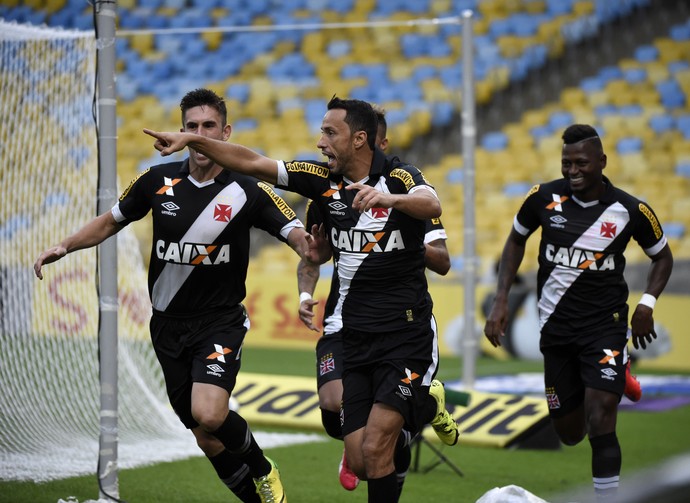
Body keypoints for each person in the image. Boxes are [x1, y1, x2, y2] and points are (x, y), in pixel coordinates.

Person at [143, 96, 460, 503]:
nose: (320, 141)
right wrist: (190, 140)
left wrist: (390, 202)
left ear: (359, 139)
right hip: (353, 332)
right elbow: (254, 165)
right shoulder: (319, 184)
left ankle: (419, 403)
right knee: (361, 456)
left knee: (378, 444)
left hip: (405, 332)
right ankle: (420, 409)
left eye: (329, 132)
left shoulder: (401, 178)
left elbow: (432, 206)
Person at [35, 88, 318, 503]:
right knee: (206, 438)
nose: (199, 135)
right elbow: (110, 221)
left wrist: (310, 249)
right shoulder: (157, 180)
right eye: (191, 127)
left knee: (210, 413)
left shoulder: (248, 189)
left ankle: (263, 468)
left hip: (219, 321)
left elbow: (298, 237)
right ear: (181, 130)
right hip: (166, 326)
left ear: (226, 132)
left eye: (208, 127)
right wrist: (65, 245)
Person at [483, 124, 673, 501]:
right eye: (566, 163)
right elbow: (516, 239)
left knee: (601, 415)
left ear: (602, 162)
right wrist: (501, 297)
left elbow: (662, 257)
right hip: (555, 329)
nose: (573, 171)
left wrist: (647, 303)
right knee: (570, 432)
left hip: (605, 326)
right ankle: (619, 374)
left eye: (581, 163)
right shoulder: (542, 197)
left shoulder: (631, 209)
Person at [296, 106, 451, 493]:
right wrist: (305, 289)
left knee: (375, 444)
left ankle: (421, 407)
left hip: (399, 325)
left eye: (384, 143)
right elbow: (314, 256)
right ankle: (398, 426)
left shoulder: (403, 186)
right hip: (344, 324)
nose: (383, 150)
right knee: (336, 411)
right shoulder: (329, 193)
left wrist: (397, 242)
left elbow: (443, 259)